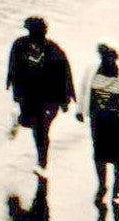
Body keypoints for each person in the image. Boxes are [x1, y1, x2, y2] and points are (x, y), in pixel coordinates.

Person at [75, 41, 119, 204]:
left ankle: (117, 191)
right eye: (104, 58)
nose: (107, 61)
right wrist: (80, 110)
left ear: (115, 58)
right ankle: (102, 186)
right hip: (99, 123)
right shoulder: (92, 71)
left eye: (110, 58)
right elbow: (84, 89)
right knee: (99, 156)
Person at [6, 16, 74, 174]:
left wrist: (65, 100)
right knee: (32, 124)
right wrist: (16, 93)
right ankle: (20, 120)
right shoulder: (20, 45)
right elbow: (14, 69)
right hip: (29, 97)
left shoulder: (53, 50)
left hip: (48, 99)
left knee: (41, 129)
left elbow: (65, 75)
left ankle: (42, 161)